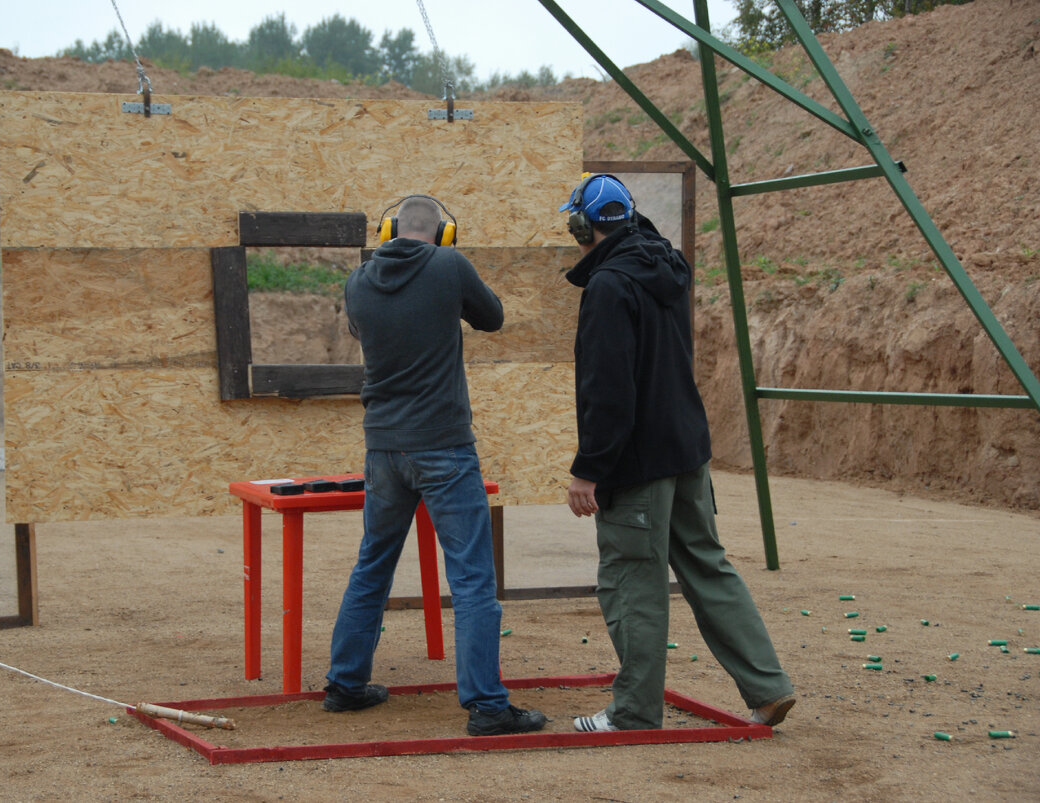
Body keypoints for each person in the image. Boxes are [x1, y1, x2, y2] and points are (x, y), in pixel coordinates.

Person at [557, 174, 796, 732]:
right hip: (688, 450)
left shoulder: (611, 287)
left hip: (639, 462)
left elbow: (609, 392)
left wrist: (590, 470)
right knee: (708, 568)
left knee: (631, 579)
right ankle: (767, 686)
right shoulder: (665, 268)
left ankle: (635, 712)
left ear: (582, 227)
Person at [322, 194, 547, 737]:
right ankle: (488, 707)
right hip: (443, 445)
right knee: (471, 576)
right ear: (442, 233)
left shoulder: (358, 282)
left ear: (387, 230)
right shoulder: (448, 264)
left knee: (372, 564)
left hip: (383, 448)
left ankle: (345, 685)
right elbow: (491, 318)